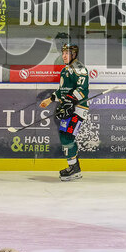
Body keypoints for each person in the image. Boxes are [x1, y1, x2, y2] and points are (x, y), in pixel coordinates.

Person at [37, 43, 88, 180]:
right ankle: (74, 167)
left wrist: (70, 101)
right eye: (63, 53)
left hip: (78, 108)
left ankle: (74, 169)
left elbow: (82, 89)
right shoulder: (65, 70)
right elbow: (62, 91)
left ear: (74, 55)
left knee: (67, 136)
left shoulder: (79, 69)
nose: (64, 56)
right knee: (65, 136)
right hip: (68, 107)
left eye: (67, 53)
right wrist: (50, 99)